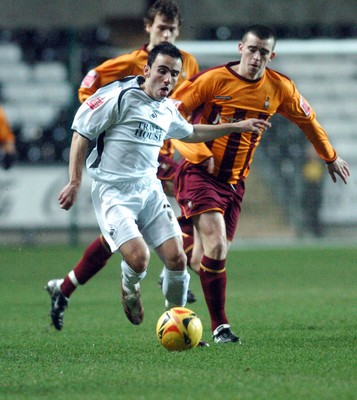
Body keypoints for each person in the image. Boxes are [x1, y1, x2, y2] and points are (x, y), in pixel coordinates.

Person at [48, 43, 271, 334]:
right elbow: (81, 134)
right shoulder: (121, 97)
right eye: (162, 71)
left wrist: (236, 126)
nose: (167, 79)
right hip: (114, 192)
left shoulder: (166, 108)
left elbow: (190, 133)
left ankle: (179, 325)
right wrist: (75, 181)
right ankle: (129, 287)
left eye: (174, 74)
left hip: (149, 189)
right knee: (140, 258)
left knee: (177, 259)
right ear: (147, 70)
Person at [170, 24, 350, 344]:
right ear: (240, 48)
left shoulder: (280, 88)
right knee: (217, 246)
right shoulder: (212, 80)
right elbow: (171, 114)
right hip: (200, 172)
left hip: (235, 183)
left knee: (203, 259)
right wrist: (194, 152)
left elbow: (309, 121)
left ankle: (177, 249)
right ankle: (220, 327)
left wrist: (330, 156)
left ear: (272, 55)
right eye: (252, 49)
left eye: (263, 52)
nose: (256, 57)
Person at [45, 0, 199, 331]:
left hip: (160, 159)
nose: (166, 33)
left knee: (140, 242)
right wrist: (110, 127)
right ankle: (164, 281)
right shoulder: (127, 64)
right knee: (127, 243)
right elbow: (89, 88)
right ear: (148, 27)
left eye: (172, 29)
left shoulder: (188, 64)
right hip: (125, 162)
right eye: (161, 27)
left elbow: (184, 110)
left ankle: (67, 288)